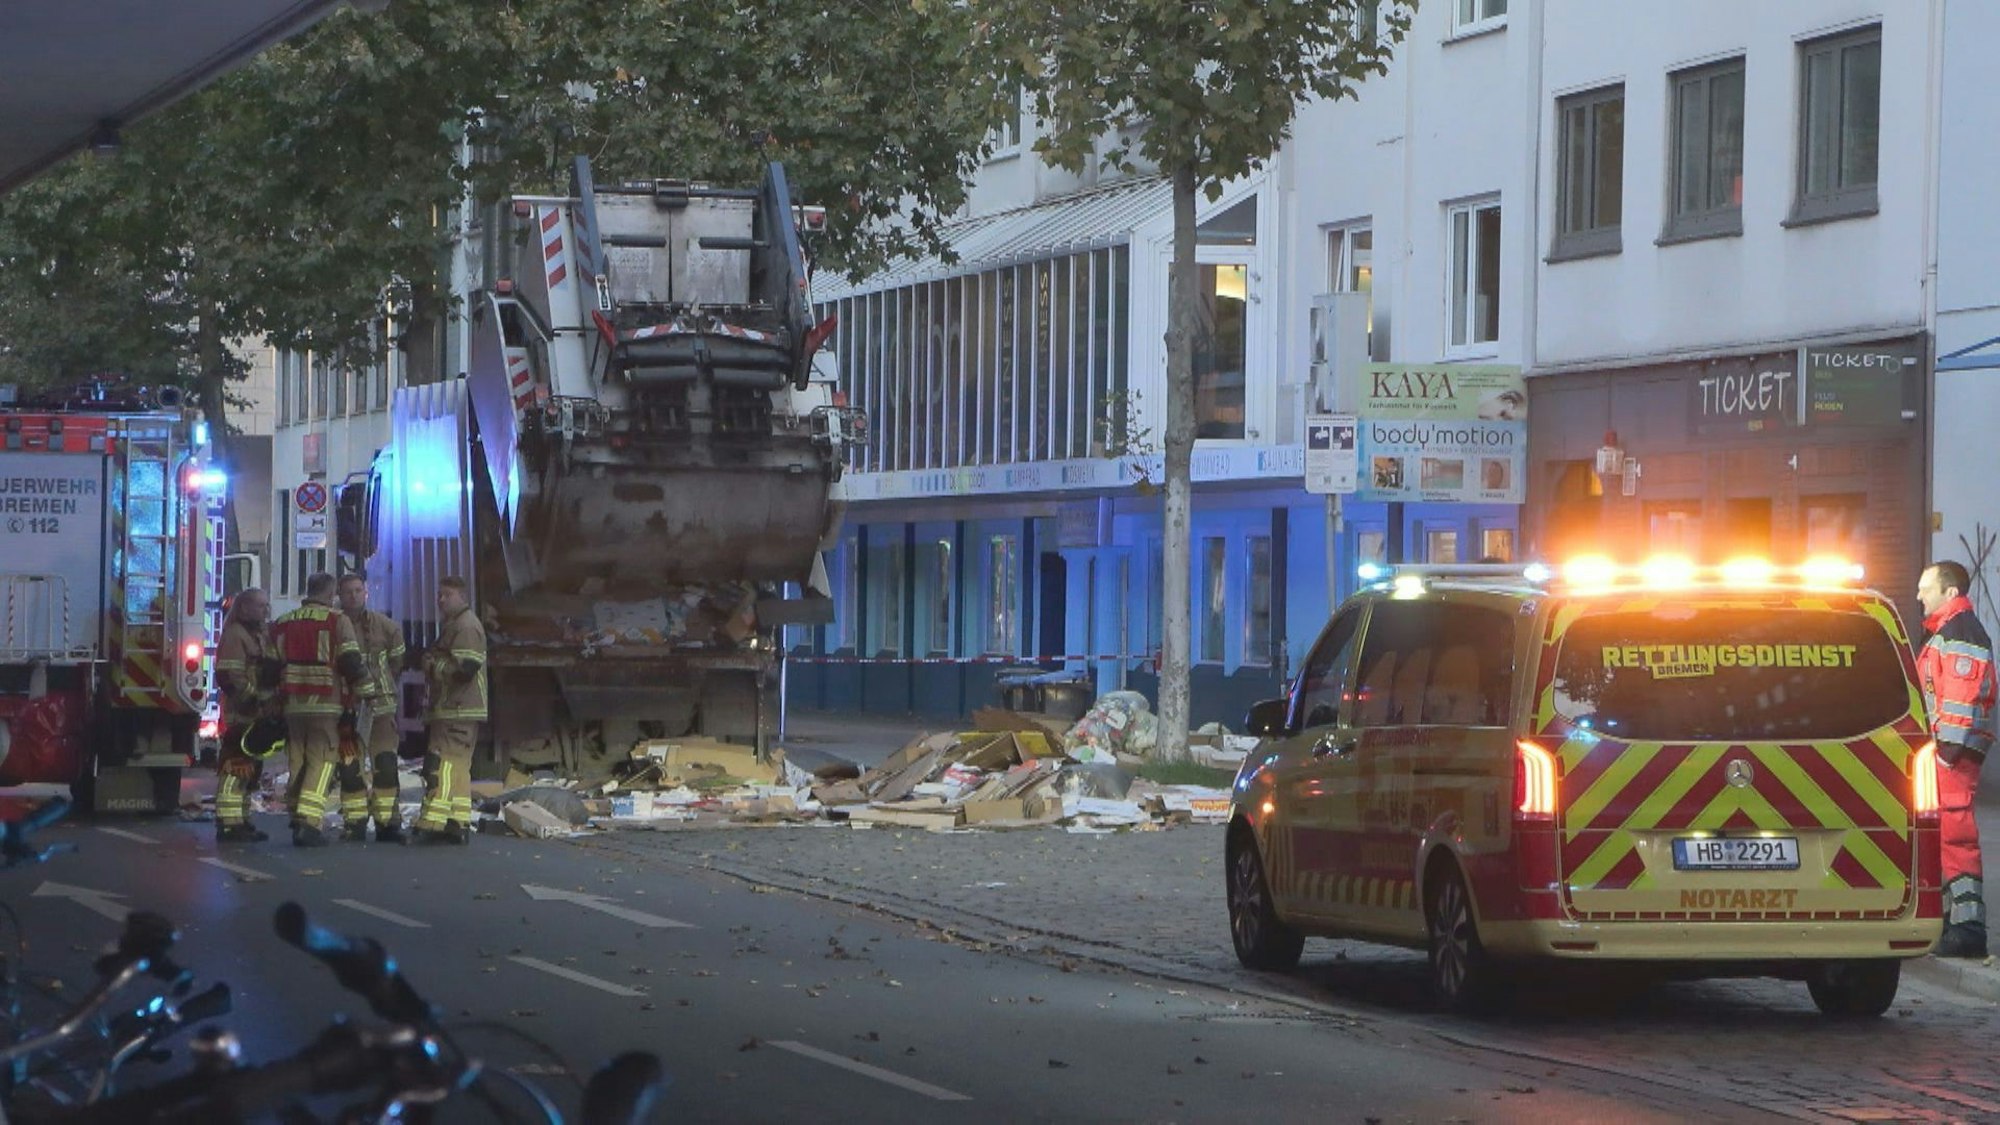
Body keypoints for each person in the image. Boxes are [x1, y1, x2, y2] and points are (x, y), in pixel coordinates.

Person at [1916, 560, 1996, 958]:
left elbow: (1961, 701)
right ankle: (1957, 920)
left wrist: (1945, 755)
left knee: (1955, 835)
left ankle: (1967, 928)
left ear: (1949, 592)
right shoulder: (1948, 633)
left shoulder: (1959, 634)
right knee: (1944, 836)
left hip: (1952, 755)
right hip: (1947, 753)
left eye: (1925, 587)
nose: (1918, 595)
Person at [270, 573, 365, 848]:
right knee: (323, 760)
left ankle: (296, 811)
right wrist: (364, 689)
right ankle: (309, 822)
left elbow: (269, 666)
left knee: (298, 759)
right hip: (326, 702)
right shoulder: (337, 620)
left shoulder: (283, 622)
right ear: (330, 593)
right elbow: (350, 660)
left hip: (292, 704)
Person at [414, 576, 486, 845]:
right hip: (457, 708)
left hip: (457, 707)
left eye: (447, 595)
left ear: (463, 598)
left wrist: (432, 665)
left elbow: (465, 669)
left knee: (440, 764)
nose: (441, 599)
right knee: (457, 767)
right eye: (439, 594)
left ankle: (431, 823)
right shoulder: (455, 625)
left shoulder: (466, 627)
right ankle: (458, 823)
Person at [337, 573, 407, 844]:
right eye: (348, 592)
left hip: (381, 707)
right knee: (349, 766)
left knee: (386, 765)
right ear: (340, 596)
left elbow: (397, 662)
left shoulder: (387, 627)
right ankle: (354, 823)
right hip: (348, 708)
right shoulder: (334, 626)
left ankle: (388, 823)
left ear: (366, 592)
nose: (353, 596)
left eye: (358, 590)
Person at [212, 588, 277, 843]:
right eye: (260, 606)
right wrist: (253, 699)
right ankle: (229, 822)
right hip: (240, 713)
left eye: (266, 605)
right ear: (245, 608)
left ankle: (242, 819)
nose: (265, 611)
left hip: (256, 712)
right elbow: (230, 676)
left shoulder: (259, 634)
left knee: (251, 768)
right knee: (235, 766)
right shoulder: (235, 636)